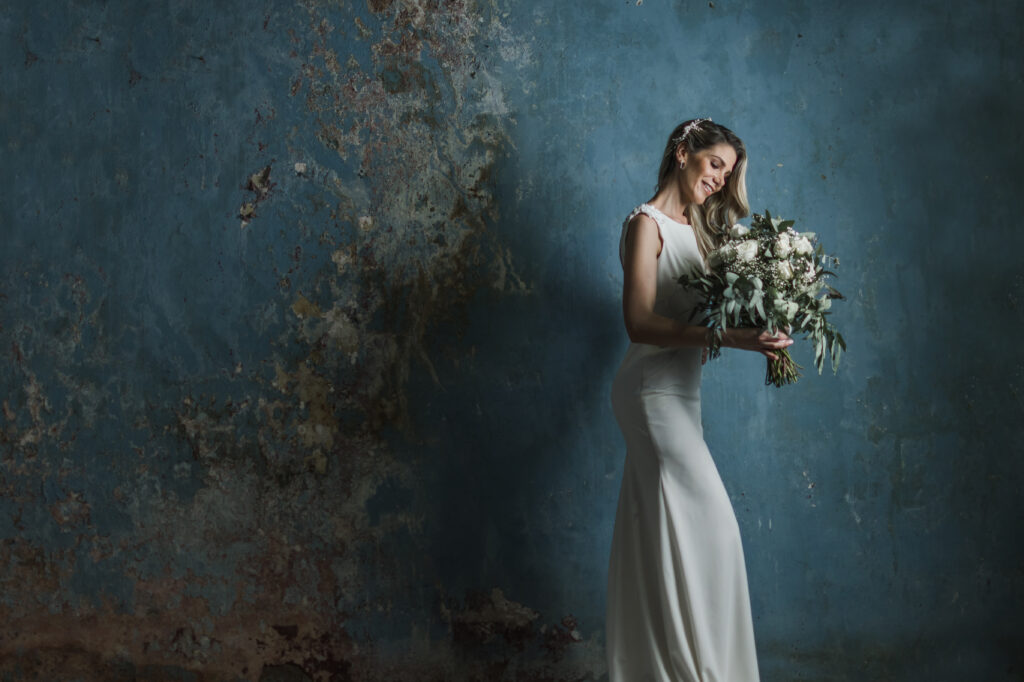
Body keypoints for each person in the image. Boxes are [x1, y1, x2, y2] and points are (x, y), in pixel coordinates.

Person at [605, 118, 791, 682]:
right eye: (715, 164)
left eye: (727, 173)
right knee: (713, 531)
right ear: (683, 152)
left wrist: (765, 333)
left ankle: (660, 670)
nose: (720, 179)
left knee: (663, 533)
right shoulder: (646, 224)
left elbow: (719, 314)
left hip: (683, 396)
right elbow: (639, 323)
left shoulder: (703, 233)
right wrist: (729, 337)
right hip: (650, 394)